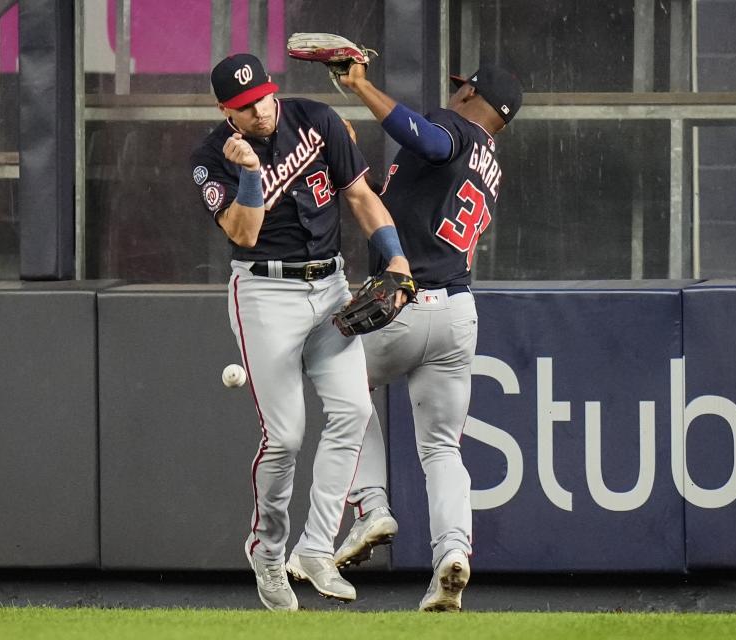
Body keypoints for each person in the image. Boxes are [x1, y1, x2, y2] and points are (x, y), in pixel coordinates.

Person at [190, 53, 412, 612]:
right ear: (226, 110)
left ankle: (315, 547)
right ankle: (267, 550)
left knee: (354, 412)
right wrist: (246, 173)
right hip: (265, 293)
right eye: (245, 105)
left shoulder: (317, 120)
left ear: (273, 89)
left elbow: (361, 196)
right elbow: (243, 233)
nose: (260, 109)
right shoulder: (211, 157)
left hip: (331, 285)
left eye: (263, 96)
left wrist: (397, 261)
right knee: (286, 437)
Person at [333, 62, 523, 612]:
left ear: (473, 93)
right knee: (441, 447)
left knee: (337, 386)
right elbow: (402, 199)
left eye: (463, 85)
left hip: (407, 302)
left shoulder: (454, 130)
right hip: (458, 312)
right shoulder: (491, 166)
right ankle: (453, 555)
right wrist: (351, 159)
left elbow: (428, 138)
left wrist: (361, 87)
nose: (456, 90)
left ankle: (371, 506)